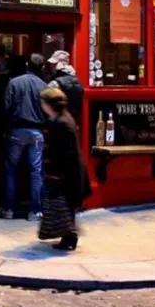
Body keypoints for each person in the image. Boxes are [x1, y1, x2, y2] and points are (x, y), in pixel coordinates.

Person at [38, 88, 91, 251]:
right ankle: (67, 237)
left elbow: (65, 152)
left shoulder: (62, 123)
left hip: (65, 173)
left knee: (63, 205)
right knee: (62, 205)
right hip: (63, 172)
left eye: (42, 102)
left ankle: (69, 239)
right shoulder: (60, 119)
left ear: (48, 104)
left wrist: (57, 175)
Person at [3, 53, 47, 221]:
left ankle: (9, 209)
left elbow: (6, 108)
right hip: (37, 132)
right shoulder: (44, 86)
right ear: (42, 67)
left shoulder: (13, 83)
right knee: (36, 171)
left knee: (11, 170)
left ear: (28, 65)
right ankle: (35, 211)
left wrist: (5, 129)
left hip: (16, 131)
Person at [47, 51, 84, 125]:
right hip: (73, 122)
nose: (51, 66)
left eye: (54, 64)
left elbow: (46, 100)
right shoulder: (76, 80)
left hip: (58, 123)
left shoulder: (56, 83)